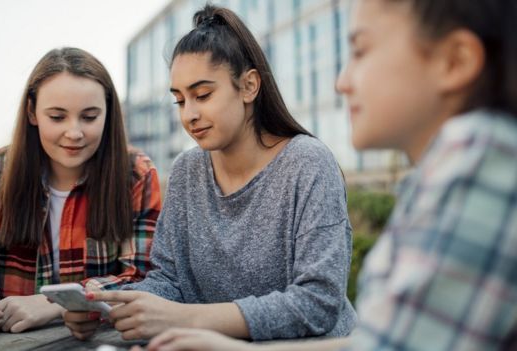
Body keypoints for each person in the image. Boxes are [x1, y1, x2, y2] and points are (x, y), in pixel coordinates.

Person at [134, 0, 517, 350]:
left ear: (454, 61)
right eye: (179, 100)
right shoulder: (446, 171)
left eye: (361, 50)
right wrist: (122, 304)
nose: (341, 81)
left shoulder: (479, 167)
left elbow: (336, 314)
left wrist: (207, 331)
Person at [64, 4, 356, 342]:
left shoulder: (308, 163)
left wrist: (188, 318)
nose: (189, 114)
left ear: (249, 86)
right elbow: (169, 281)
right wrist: (109, 308)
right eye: (179, 100)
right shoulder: (187, 171)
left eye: (203, 95)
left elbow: (317, 304)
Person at [0, 47, 161, 336]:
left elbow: (143, 280)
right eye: (57, 117)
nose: (74, 132)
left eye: (89, 117)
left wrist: (55, 303)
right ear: (32, 112)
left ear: (108, 115)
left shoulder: (136, 175)